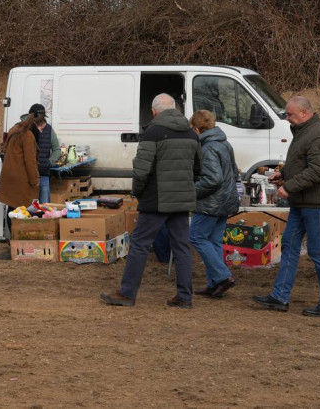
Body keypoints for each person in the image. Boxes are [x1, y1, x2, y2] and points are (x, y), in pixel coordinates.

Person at [101, 94, 201, 308]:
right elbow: (197, 169)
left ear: (154, 111)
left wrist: (137, 192)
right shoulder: (192, 134)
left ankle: (127, 293)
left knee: (139, 244)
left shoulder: (152, 132)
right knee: (182, 247)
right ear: (176, 109)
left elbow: (141, 170)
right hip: (182, 199)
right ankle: (185, 296)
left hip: (156, 198)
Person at [253, 96, 320, 317]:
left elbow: (318, 170)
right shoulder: (304, 132)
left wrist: (289, 186)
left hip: (315, 203)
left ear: (304, 112)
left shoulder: (318, 134)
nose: (287, 118)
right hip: (303, 202)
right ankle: (280, 296)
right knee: (289, 245)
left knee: (319, 252)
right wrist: (283, 174)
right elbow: (303, 163)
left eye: (290, 114)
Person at [189, 109, 240, 299]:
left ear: (196, 128)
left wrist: (191, 190)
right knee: (214, 241)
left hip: (211, 203)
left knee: (196, 237)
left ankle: (223, 277)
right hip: (225, 200)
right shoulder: (224, 144)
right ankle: (214, 283)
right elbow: (234, 172)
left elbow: (213, 179)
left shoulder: (207, 147)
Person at [0, 116, 40, 210]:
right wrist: (34, 180)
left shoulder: (14, 130)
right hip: (21, 178)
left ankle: (10, 224)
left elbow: (6, 149)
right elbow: (30, 161)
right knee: (22, 209)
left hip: (9, 174)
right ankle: (15, 225)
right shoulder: (27, 135)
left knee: (12, 207)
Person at [25, 103, 61, 203]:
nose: (40, 124)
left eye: (41, 120)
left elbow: (57, 149)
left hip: (43, 172)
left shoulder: (49, 129)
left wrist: (50, 162)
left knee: (44, 203)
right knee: (27, 203)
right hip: (27, 173)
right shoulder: (26, 129)